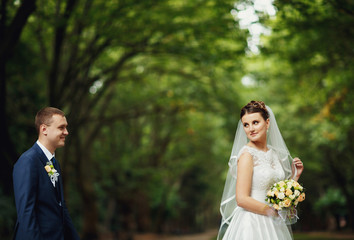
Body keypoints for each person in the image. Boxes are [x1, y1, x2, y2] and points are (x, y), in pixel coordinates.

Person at [217, 101, 304, 240]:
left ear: (267, 123)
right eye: (246, 124)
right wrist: (272, 211)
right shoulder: (247, 154)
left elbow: (278, 193)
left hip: (274, 222)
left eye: (255, 122)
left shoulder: (274, 153)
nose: (250, 128)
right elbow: (242, 199)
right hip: (252, 222)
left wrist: (295, 177)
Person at [13, 107, 80, 240]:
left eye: (66, 127)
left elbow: (61, 207)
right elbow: (26, 212)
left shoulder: (54, 163)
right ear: (44, 129)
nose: (66, 132)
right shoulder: (28, 161)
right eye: (61, 127)